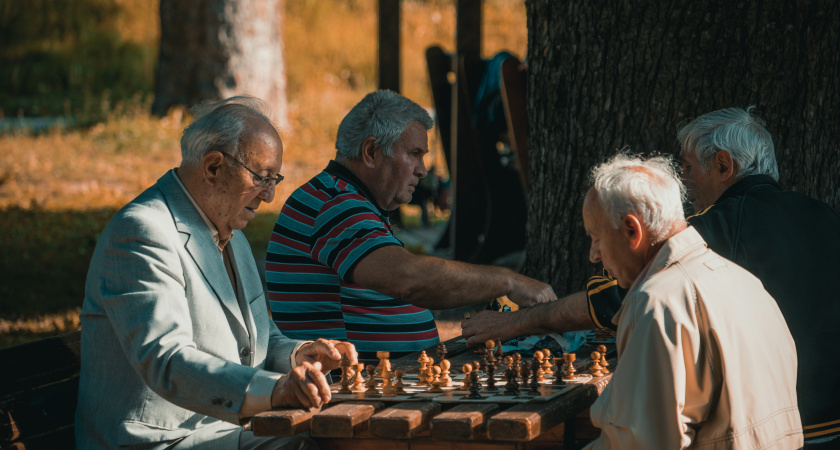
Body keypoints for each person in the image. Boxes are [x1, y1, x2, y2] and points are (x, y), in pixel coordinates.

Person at [461, 107, 840, 446]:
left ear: (723, 166)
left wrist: (516, 323)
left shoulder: (691, 260)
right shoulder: (822, 220)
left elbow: (646, 436)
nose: (685, 182)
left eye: (688, 167)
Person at [76, 96, 357, 449]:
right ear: (212, 168)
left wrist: (300, 355)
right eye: (261, 177)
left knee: (349, 436)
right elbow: (168, 360)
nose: (269, 196)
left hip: (224, 432)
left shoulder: (229, 231)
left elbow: (258, 337)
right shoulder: (141, 232)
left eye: (275, 179)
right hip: (161, 442)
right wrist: (276, 389)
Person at [265, 90, 556, 365]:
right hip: (349, 395)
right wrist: (509, 281)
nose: (423, 170)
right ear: (370, 152)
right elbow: (410, 279)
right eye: (414, 154)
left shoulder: (343, 198)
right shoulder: (336, 204)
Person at [580, 153, 801, 448]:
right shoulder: (744, 281)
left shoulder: (656, 303)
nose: (594, 255)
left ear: (632, 231)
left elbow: (641, 443)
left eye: (596, 237)